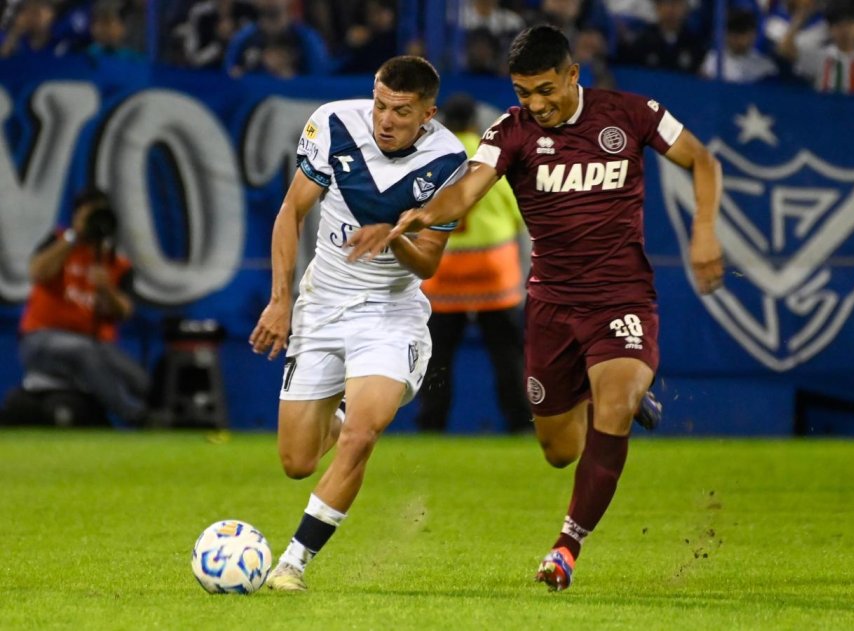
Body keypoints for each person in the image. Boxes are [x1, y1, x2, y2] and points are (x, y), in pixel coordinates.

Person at [357, 25, 723, 591]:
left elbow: (702, 161)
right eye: (524, 92)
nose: (536, 104)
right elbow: (471, 187)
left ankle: (566, 547)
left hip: (620, 297)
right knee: (560, 450)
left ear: (573, 75)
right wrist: (424, 213)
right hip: (552, 306)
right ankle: (617, 397)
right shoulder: (512, 130)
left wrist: (704, 233)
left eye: (546, 90)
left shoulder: (632, 113)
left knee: (614, 404)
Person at [248, 55, 467, 591]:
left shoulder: (448, 160)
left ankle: (293, 563)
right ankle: (344, 416)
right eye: (381, 104)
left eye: (401, 111)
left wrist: (395, 236)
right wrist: (280, 301)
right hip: (321, 306)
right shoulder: (333, 123)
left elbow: (431, 262)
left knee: (363, 436)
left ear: (428, 114)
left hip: (389, 315)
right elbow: (290, 213)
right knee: (297, 461)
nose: (385, 119)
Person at [415, 93, 531, 434]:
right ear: (475, 123)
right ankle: (520, 424)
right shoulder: (490, 159)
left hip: (444, 274)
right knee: (507, 356)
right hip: (494, 275)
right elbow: (517, 216)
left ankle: (431, 425)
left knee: (437, 359)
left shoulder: (434, 160)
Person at [18, 188, 150, 425]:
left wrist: (106, 289)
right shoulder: (58, 242)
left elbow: (125, 311)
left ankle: (159, 417)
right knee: (85, 352)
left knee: (139, 380)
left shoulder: (116, 263)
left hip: (96, 343)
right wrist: (73, 235)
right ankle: (135, 416)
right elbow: (37, 272)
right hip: (42, 339)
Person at [778, 1, 854, 94]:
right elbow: (785, 50)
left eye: (850, 25)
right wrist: (800, 17)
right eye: (839, 26)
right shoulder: (822, 55)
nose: (845, 31)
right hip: (827, 115)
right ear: (830, 29)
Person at [700, 8, 778, 83]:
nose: (738, 40)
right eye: (733, 34)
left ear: (753, 35)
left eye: (742, 33)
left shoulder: (765, 66)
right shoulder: (712, 61)